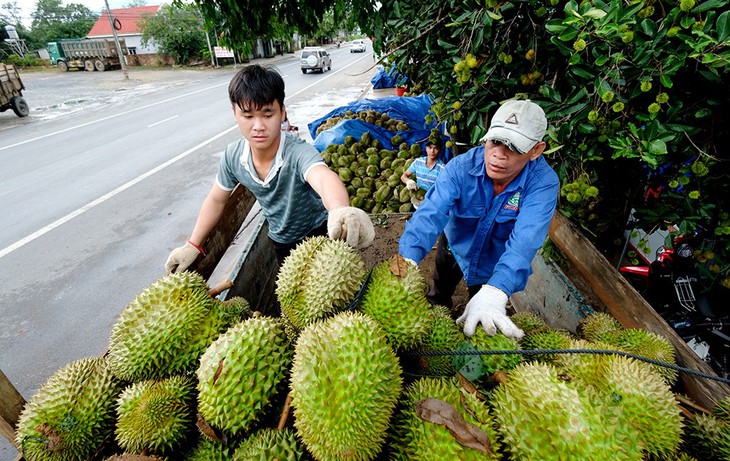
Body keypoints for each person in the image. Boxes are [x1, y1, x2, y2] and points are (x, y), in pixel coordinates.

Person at [165, 64, 374, 275]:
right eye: (247, 116)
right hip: (280, 241)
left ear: (282, 113)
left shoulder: (297, 152)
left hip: (320, 231)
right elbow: (216, 200)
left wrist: (340, 210)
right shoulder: (233, 157)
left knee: (333, 286)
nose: (258, 126)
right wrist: (193, 244)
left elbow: (322, 178)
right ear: (235, 114)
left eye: (267, 115)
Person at [398, 99, 559, 340]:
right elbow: (430, 214)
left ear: (536, 150)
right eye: (495, 142)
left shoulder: (542, 184)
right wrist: (407, 258)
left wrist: (497, 289)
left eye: (513, 147)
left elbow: (526, 239)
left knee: (481, 315)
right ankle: (436, 312)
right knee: (439, 291)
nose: (498, 155)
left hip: (492, 263)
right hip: (454, 248)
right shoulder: (460, 168)